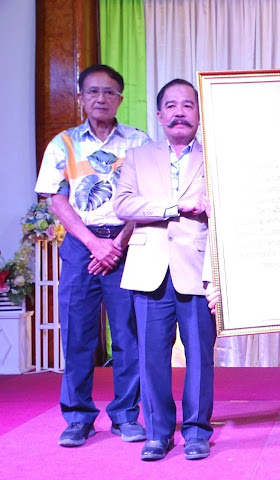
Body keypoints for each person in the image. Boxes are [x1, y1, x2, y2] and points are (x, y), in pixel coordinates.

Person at [35, 64, 149, 447]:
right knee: (78, 335)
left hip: (126, 246)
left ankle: (126, 415)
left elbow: (148, 196)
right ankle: (78, 418)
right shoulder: (63, 143)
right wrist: (93, 244)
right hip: (80, 248)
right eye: (93, 91)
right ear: (81, 97)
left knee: (128, 336)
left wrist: (117, 243)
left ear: (120, 98)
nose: (101, 98)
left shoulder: (138, 141)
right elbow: (57, 199)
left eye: (109, 92)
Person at [113, 79, 215, 461]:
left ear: (199, 114)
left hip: (198, 268)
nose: (179, 113)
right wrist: (175, 207)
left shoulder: (216, 156)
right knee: (151, 357)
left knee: (200, 357)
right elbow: (123, 205)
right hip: (148, 269)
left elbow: (231, 206)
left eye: (187, 105)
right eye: (171, 106)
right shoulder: (138, 157)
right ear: (159, 115)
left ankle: (197, 432)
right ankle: (158, 433)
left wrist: (214, 204)